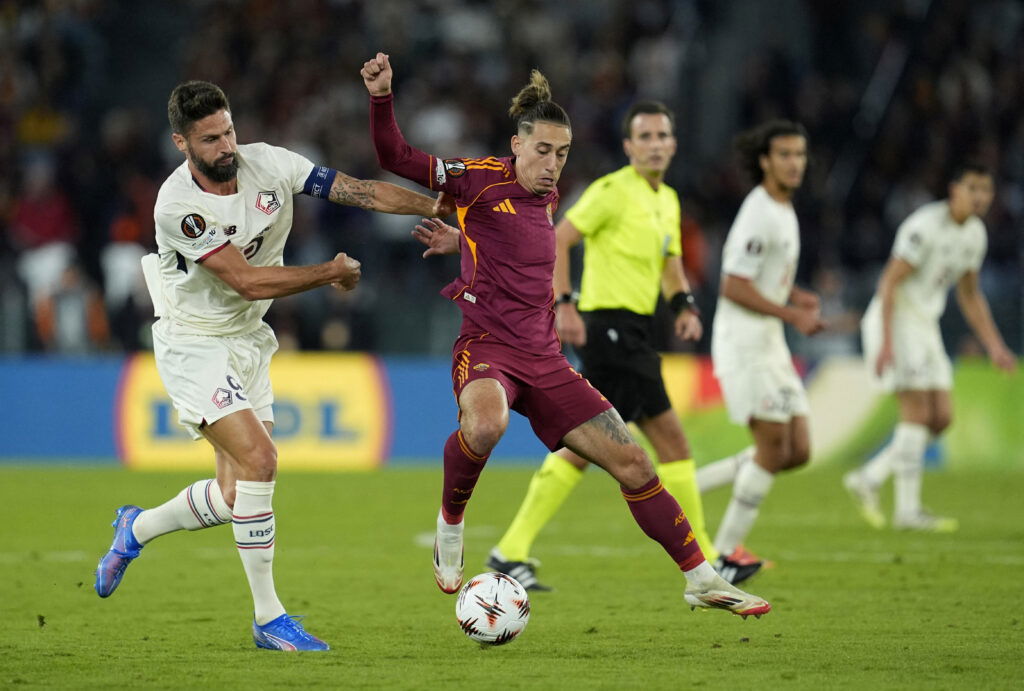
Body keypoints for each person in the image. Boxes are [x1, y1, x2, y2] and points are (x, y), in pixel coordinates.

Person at [361, 51, 770, 618]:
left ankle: (700, 578)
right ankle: (450, 523)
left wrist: (466, 244)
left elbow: (517, 243)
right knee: (486, 422)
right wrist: (382, 96)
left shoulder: (547, 194)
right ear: (517, 145)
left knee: (637, 465)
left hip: (547, 360)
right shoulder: (477, 179)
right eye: (542, 151)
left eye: (562, 153)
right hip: (487, 349)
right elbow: (394, 156)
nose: (553, 164)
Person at [93, 80, 453, 651]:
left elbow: (357, 191)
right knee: (262, 461)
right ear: (181, 143)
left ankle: (135, 528)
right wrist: (330, 271)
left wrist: (441, 204)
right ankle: (268, 619)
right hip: (194, 340)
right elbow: (245, 278)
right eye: (210, 139)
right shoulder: (177, 206)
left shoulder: (272, 165)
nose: (226, 145)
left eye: (229, 130)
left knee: (238, 496)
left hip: (247, 337)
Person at [460, 99, 761, 591]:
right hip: (608, 327)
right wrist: (566, 302)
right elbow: (558, 238)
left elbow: (670, 261)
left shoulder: (667, 200)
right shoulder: (612, 191)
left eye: (663, 136)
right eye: (645, 137)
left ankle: (510, 550)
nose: (655, 145)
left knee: (584, 447)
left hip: (635, 329)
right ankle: (708, 558)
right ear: (628, 146)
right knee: (668, 442)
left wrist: (683, 304)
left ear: (674, 143)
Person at [845, 163, 1017, 531]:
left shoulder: (975, 234)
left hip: (924, 324)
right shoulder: (924, 227)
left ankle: (870, 477)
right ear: (954, 189)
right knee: (918, 411)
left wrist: (995, 346)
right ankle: (908, 511)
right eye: (973, 188)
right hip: (896, 319)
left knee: (941, 418)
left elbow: (970, 295)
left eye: (986, 190)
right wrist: (887, 343)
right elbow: (888, 283)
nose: (981, 197)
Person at [704, 120, 825, 565]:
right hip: (744, 342)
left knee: (796, 451)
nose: (795, 163)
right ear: (765, 161)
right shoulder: (758, 211)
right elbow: (733, 285)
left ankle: (691, 486)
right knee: (774, 447)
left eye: (800, 154)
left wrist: (794, 293)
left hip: (769, 339)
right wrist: (792, 313)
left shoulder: (783, 208)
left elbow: (765, 274)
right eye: (786, 155)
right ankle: (725, 555)